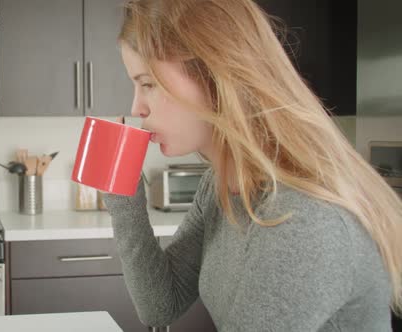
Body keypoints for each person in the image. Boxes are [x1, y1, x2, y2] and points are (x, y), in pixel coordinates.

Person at [102, 0, 402, 331]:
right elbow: (162, 303)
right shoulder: (222, 186)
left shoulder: (303, 218)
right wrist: (122, 193)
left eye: (148, 83)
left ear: (214, 73)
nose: (136, 107)